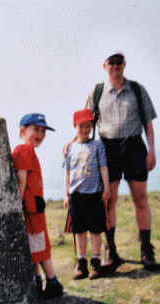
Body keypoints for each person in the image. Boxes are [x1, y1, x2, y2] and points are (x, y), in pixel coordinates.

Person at [85, 52, 159, 271]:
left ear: (124, 65)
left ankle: (146, 249)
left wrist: (151, 151)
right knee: (109, 200)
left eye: (119, 63)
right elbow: (86, 123)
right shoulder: (97, 92)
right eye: (111, 63)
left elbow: (148, 124)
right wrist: (78, 145)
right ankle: (111, 250)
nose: (115, 67)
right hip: (108, 148)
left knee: (140, 199)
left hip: (135, 147)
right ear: (104, 66)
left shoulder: (137, 89)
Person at [12, 113, 64, 299]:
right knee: (36, 247)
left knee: (38, 247)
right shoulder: (26, 151)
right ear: (22, 131)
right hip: (33, 207)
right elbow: (23, 178)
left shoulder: (24, 150)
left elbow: (21, 179)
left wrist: (16, 203)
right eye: (36, 129)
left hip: (32, 209)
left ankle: (51, 282)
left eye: (43, 131)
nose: (40, 134)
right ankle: (41, 281)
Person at [63, 109, 110, 280]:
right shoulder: (70, 148)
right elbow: (68, 171)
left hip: (94, 194)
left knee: (96, 230)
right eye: (82, 125)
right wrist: (66, 194)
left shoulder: (97, 145)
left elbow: (103, 167)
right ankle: (81, 262)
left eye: (88, 125)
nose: (85, 129)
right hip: (76, 195)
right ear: (75, 126)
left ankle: (95, 262)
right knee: (79, 231)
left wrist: (107, 188)